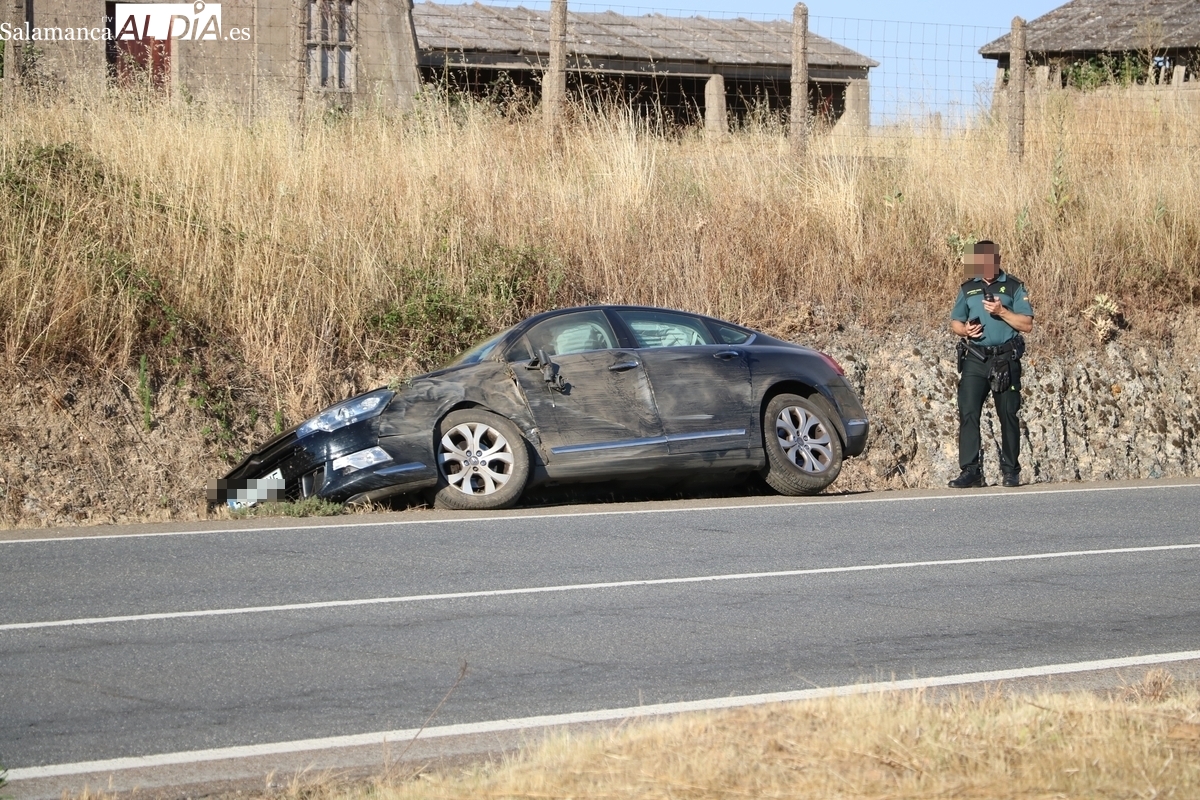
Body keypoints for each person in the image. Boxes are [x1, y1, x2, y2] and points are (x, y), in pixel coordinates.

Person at [948, 240, 1034, 488]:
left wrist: (1002, 312)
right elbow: (955, 322)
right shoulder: (968, 288)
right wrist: (964, 329)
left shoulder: (1013, 286)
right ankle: (971, 471)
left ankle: (1010, 470)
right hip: (975, 358)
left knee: (1007, 414)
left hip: (1005, 359)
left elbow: (1026, 324)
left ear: (997, 259)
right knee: (968, 412)